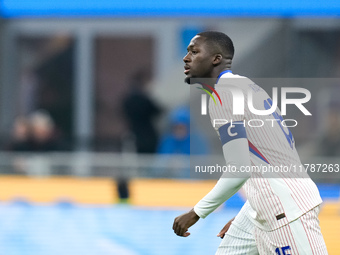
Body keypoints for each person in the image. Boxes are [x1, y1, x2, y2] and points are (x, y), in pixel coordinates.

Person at [172, 31, 328, 254]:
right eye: (187, 51)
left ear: (216, 59)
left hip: (286, 211)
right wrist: (254, 210)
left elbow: (239, 169)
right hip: (267, 208)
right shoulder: (245, 85)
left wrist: (196, 213)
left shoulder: (223, 94)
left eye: (194, 51)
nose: (186, 58)